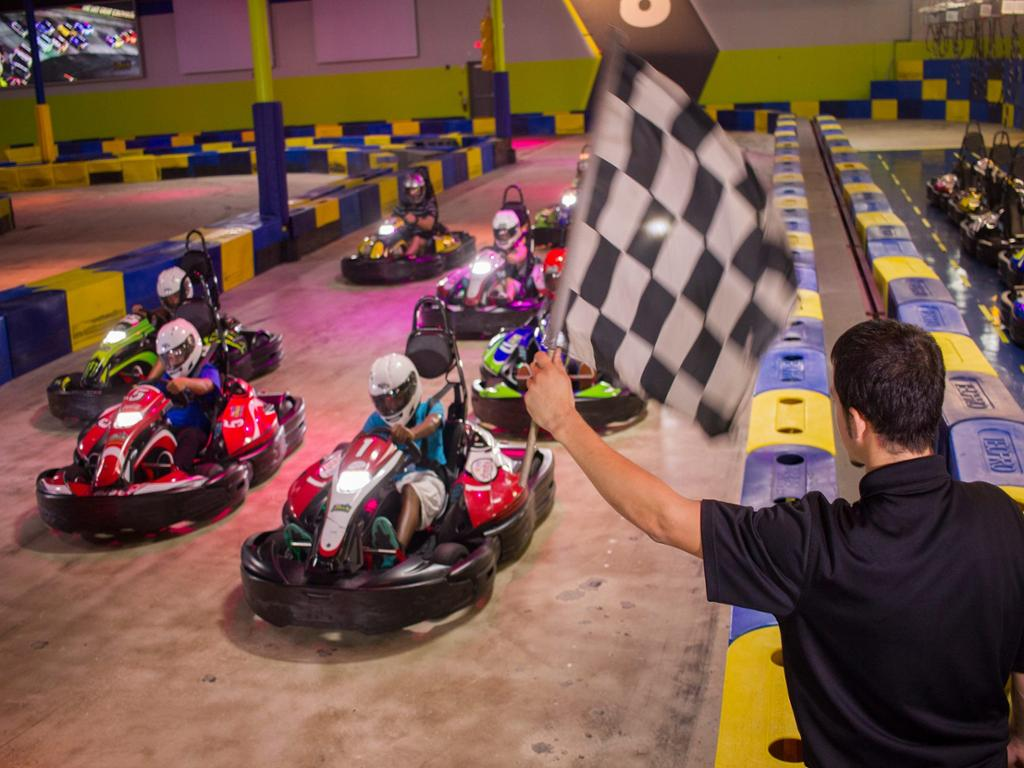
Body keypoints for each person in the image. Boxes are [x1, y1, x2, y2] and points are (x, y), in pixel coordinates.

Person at [523, 318, 1024, 768]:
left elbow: (664, 519)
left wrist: (564, 421)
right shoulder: (1003, 517)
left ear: (856, 423)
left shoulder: (811, 544)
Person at [363, 353, 446, 566]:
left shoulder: (430, 407)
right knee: (360, 494)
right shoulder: (376, 421)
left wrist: (412, 434)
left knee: (410, 489)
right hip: (390, 482)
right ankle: (324, 541)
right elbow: (361, 443)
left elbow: (433, 422)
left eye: (395, 397)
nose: (390, 405)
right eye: (383, 400)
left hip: (428, 481)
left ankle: (395, 552)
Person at [155, 319, 221, 471]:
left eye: (175, 355)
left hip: (196, 431)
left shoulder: (206, 369)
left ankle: (178, 471)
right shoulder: (167, 377)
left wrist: (186, 383)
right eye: (167, 357)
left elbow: (207, 385)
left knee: (189, 437)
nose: (171, 360)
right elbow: (155, 393)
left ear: (189, 349)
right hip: (168, 428)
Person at [490, 208, 533, 302]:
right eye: (500, 235)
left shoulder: (521, 248)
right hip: (499, 280)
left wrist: (505, 256)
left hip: (518, 283)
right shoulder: (497, 249)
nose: (503, 237)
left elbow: (516, 258)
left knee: (508, 281)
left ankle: (508, 298)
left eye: (505, 235)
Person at [393, 172, 437, 258]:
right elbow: (393, 218)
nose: (412, 193)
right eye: (410, 190)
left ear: (421, 190)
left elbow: (429, 225)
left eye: (415, 190)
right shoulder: (402, 206)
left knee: (416, 238)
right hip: (406, 233)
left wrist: (415, 220)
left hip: (425, 236)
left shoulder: (428, 205)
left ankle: (406, 258)